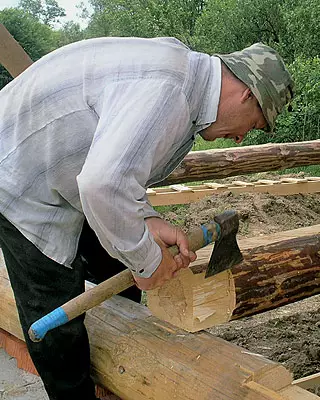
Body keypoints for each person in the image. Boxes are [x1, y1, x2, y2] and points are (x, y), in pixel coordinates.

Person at [0, 37, 293, 400]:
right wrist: (147, 260)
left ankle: (118, 366)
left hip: (64, 172)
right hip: (18, 177)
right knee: (56, 319)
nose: (240, 136)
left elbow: (117, 173)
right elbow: (101, 184)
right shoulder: (170, 91)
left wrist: (147, 220)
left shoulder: (184, 77)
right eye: (254, 124)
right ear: (248, 94)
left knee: (112, 265)